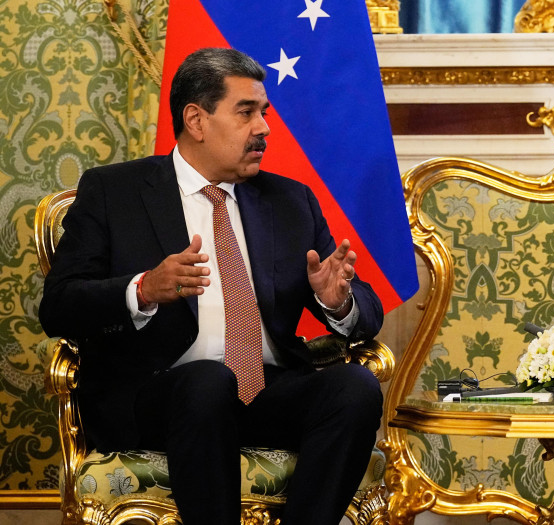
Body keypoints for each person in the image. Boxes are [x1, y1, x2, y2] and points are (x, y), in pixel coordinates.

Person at [40, 48, 385, 524]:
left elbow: (367, 312)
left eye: (264, 112)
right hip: (161, 395)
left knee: (355, 386)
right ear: (196, 120)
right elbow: (59, 306)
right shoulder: (113, 192)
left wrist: (337, 302)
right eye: (246, 112)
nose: (264, 128)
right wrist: (142, 290)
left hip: (264, 391)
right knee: (207, 380)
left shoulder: (290, 200)